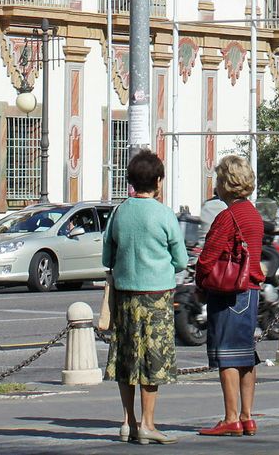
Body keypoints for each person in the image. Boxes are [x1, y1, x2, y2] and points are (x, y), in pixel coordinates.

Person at [101, 149, 186, 445]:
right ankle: (148, 423)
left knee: (126, 357)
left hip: (125, 295)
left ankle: (128, 422)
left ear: (132, 181)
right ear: (158, 181)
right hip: (156, 295)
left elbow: (106, 255)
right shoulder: (163, 214)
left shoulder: (120, 212)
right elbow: (181, 260)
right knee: (152, 359)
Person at [196, 154, 265, 438]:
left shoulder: (227, 217)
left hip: (228, 293)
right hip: (251, 291)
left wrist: (200, 282)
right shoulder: (254, 215)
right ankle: (248, 416)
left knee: (227, 355)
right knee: (246, 354)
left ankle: (230, 418)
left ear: (226, 183)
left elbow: (207, 258)